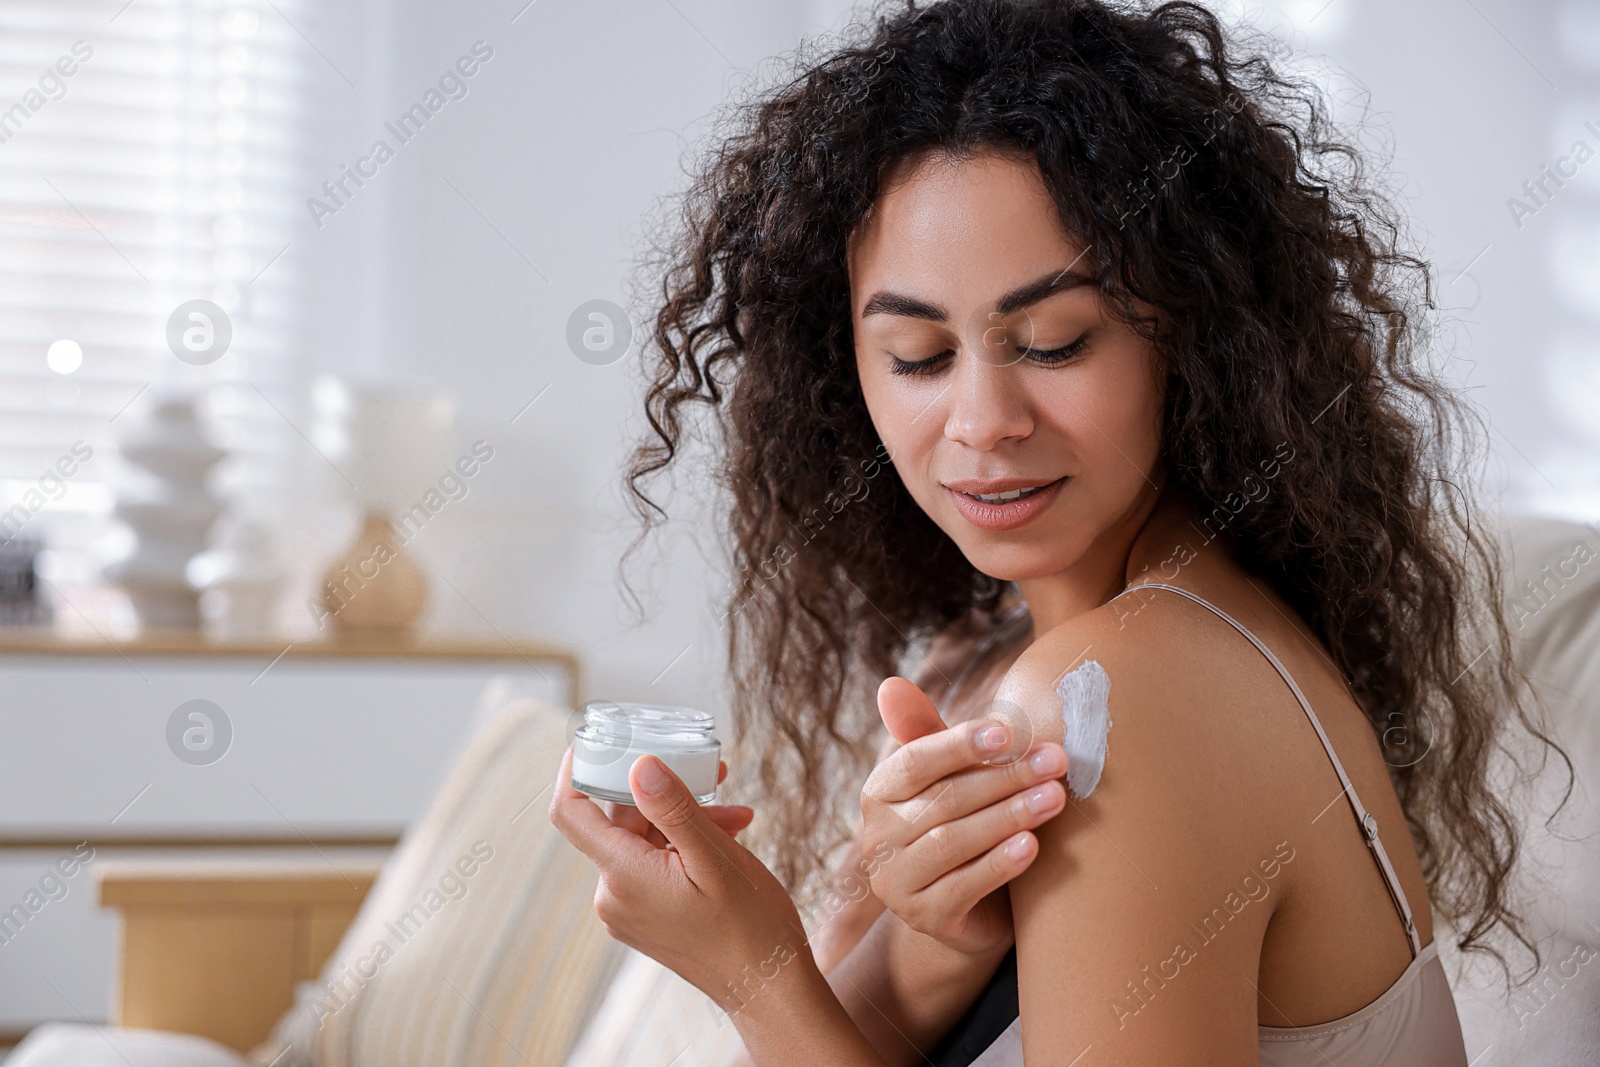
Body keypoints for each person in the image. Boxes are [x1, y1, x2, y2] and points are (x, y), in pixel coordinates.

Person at [549, 1, 1567, 1063]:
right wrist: (931, 940)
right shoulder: (997, 666)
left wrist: (746, 973)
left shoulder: (1131, 693)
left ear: (1194, 335)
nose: (984, 422)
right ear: (840, 369)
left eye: (1051, 341)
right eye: (916, 356)